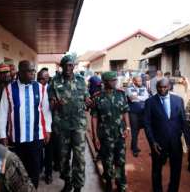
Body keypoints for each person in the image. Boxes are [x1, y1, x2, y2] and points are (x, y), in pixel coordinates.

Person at [0, 60, 52, 188]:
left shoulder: (40, 88)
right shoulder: (9, 90)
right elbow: (2, 113)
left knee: (34, 171)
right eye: (29, 71)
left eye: (34, 71)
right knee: (17, 172)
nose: (33, 74)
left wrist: (48, 130)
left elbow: (46, 111)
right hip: (16, 139)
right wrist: (3, 135)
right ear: (20, 72)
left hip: (36, 138)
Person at [48, 53, 92, 192]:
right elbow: (50, 104)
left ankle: (78, 186)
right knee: (63, 157)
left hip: (78, 125)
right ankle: (67, 182)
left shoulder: (81, 80)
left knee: (79, 157)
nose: (68, 67)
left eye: (71, 65)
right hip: (62, 126)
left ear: (73, 66)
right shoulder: (54, 81)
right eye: (66, 65)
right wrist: (56, 104)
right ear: (62, 66)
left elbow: (87, 99)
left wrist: (89, 102)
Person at [144, 78, 190, 192]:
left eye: (164, 87)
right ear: (156, 87)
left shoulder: (178, 100)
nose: (162, 89)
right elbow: (147, 124)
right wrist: (152, 142)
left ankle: (173, 189)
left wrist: (188, 141)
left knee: (176, 169)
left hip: (175, 142)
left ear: (169, 87)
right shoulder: (150, 102)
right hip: (158, 143)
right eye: (159, 87)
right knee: (157, 169)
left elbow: (183, 121)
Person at [91, 71, 131, 192]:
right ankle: (108, 183)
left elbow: (125, 111)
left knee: (120, 161)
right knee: (107, 161)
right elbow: (94, 117)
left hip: (120, 134)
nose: (115, 82)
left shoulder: (121, 94)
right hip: (105, 136)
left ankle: (121, 185)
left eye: (115, 80)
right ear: (105, 82)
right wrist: (95, 137)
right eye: (112, 80)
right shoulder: (97, 97)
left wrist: (128, 127)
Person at [37, 67, 53, 184]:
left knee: (49, 150)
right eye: (42, 78)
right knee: (38, 150)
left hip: (49, 124)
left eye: (47, 78)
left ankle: (48, 174)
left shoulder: (51, 89)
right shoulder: (35, 89)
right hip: (37, 125)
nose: (44, 81)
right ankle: (38, 169)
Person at [126, 75, 149, 157]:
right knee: (135, 130)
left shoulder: (143, 87)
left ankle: (133, 145)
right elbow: (132, 99)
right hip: (133, 113)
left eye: (141, 81)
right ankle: (135, 149)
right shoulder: (129, 88)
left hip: (143, 112)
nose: (140, 82)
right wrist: (141, 98)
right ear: (134, 81)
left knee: (141, 129)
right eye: (138, 81)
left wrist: (138, 97)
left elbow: (147, 97)